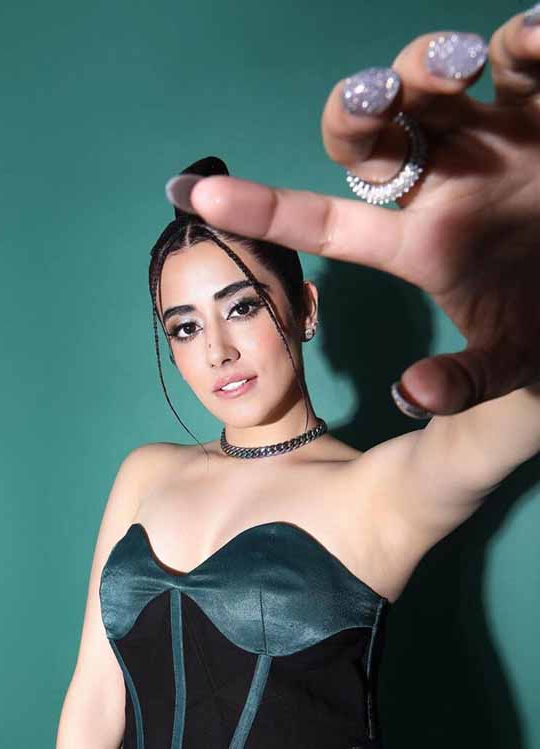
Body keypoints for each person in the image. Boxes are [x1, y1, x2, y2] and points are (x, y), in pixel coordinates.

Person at [56, 7, 540, 748]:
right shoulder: (144, 474)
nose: (217, 350)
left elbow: (510, 420)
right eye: (185, 327)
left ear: (305, 308)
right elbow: (92, 703)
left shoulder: (377, 490)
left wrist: (528, 299)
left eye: (242, 306)